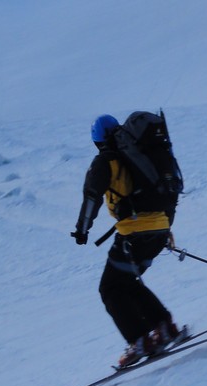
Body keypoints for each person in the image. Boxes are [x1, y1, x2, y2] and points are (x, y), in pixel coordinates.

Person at [72, 114, 186, 368]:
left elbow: (92, 195)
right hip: (158, 231)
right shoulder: (142, 156)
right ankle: (165, 327)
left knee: (110, 289)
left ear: (98, 140)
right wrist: (165, 228)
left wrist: (82, 228)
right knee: (126, 282)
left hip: (134, 234)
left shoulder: (107, 160)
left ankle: (140, 341)